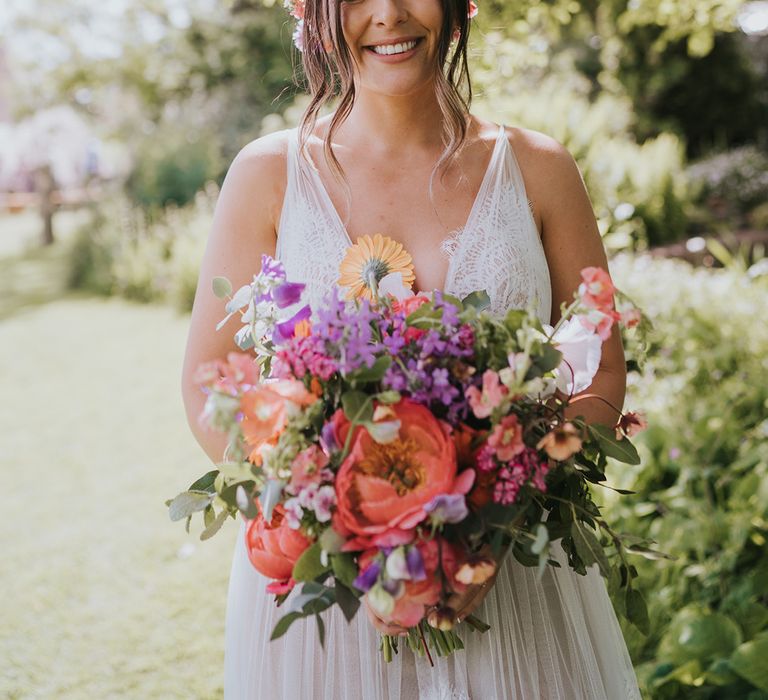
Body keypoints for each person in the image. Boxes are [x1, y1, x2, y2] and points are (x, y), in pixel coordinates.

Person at [181, 0, 641, 697]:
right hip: (335, 602)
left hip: (513, 579)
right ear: (315, 12)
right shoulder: (268, 174)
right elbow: (210, 383)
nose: (389, 14)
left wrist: (495, 530)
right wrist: (334, 531)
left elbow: (598, 362)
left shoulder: (539, 169)